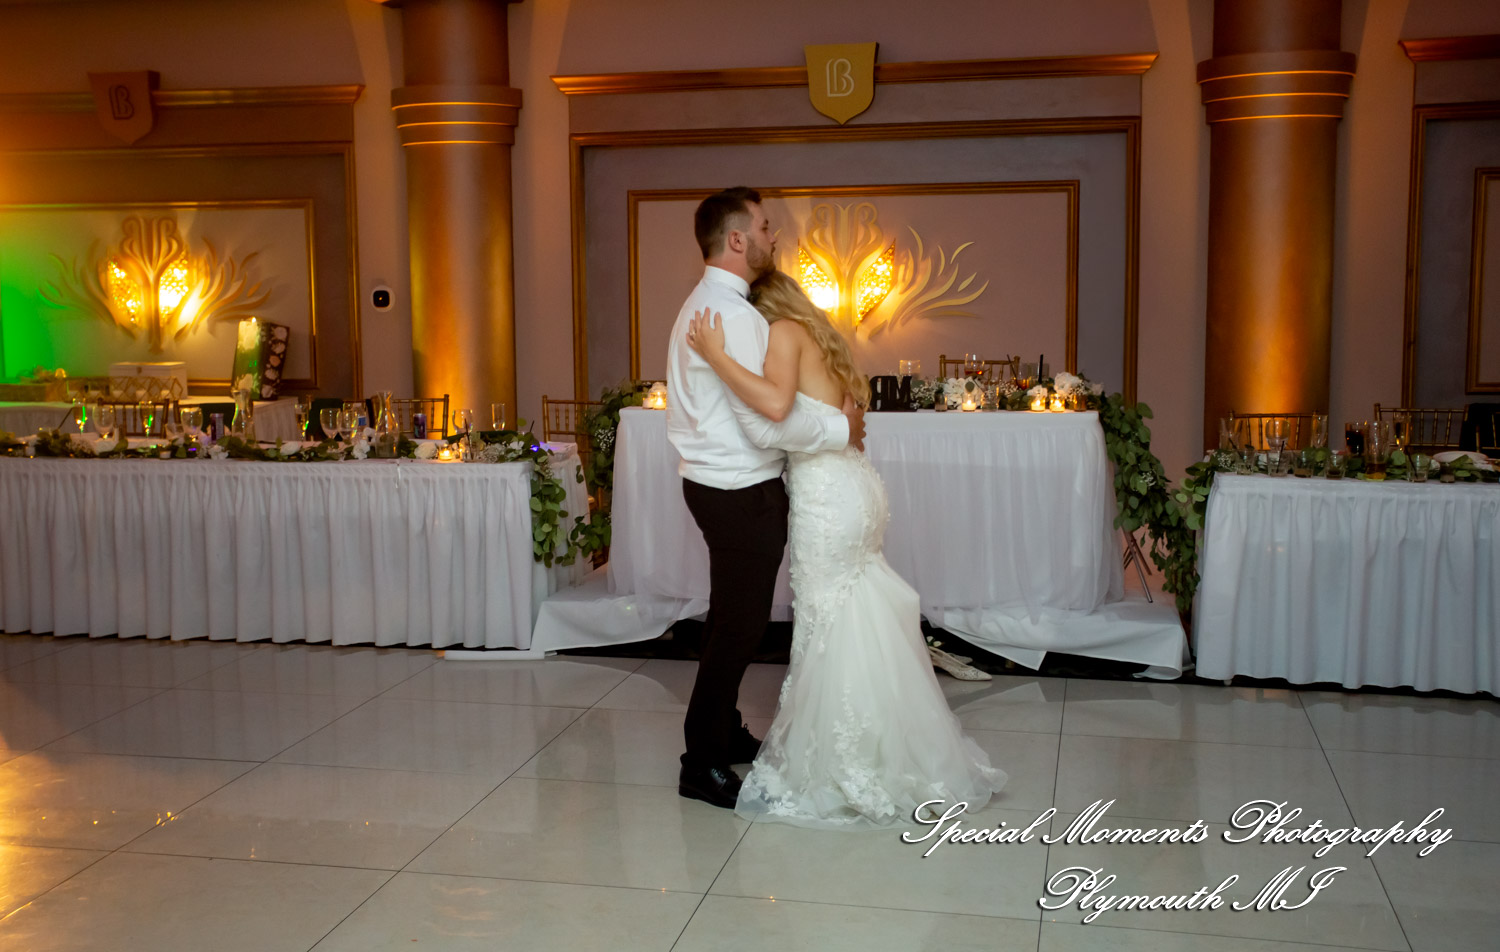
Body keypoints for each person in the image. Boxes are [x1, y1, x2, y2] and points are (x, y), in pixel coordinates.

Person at [684, 269, 1007, 829]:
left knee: (829, 617)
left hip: (826, 494)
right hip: (854, 484)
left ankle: (850, 758)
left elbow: (775, 415)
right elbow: (818, 411)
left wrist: (717, 357)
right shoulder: (816, 333)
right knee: (858, 610)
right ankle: (890, 743)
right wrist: (839, 424)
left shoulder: (781, 332)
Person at [666, 187, 867, 809]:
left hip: (717, 484)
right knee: (740, 628)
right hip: (738, 489)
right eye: (764, 226)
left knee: (731, 617)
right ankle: (700, 760)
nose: (773, 236)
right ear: (736, 239)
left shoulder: (708, 306)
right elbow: (764, 422)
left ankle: (722, 731)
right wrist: (841, 429)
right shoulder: (734, 316)